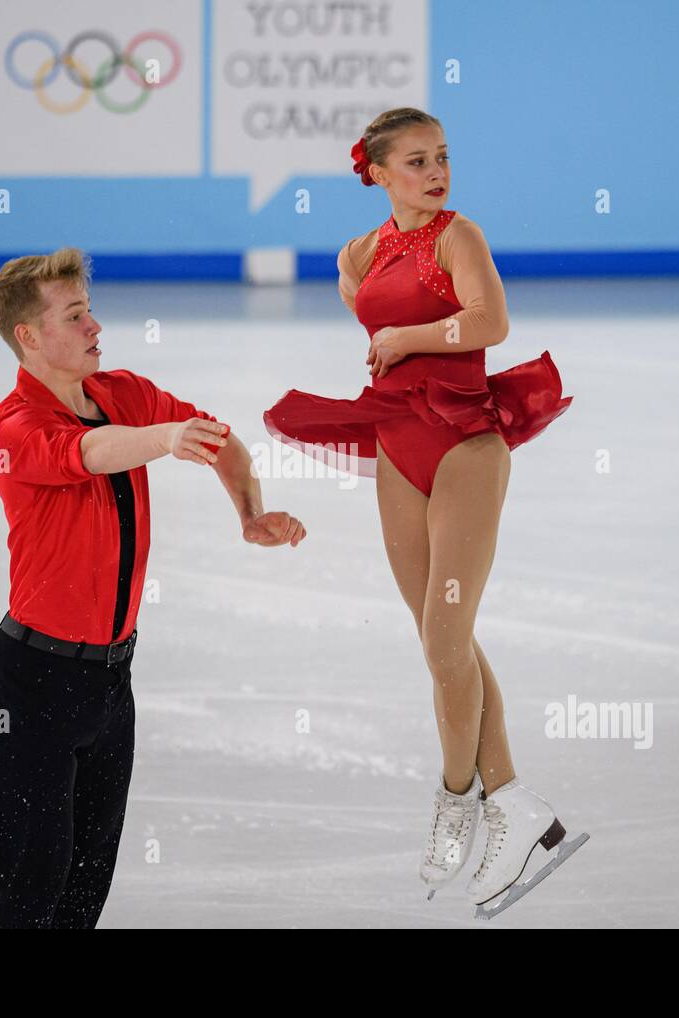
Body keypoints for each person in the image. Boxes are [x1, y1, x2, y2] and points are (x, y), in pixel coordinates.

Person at [263, 108, 585, 918]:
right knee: (448, 641)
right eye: (416, 161)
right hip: (396, 448)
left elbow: (490, 323)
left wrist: (411, 338)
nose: (435, 172)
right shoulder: (357, 254)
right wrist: (396, 341)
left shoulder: (458, 237)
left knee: (446, 637)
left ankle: (459, 799)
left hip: (467, 445)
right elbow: (373, 325)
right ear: (375, 171)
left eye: (442, 157)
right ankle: (514, 806)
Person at [0, 247, 306, 928]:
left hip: (109, 684)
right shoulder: (18, 424)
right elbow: (91, 454)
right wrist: (165, 437)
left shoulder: (120, 392)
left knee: (85, 883)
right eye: (75, 316)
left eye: (90, 311)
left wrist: (249, 513)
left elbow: (221, 441)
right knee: (28, 880)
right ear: (29, 338)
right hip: (31, 684)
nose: (95, 327)